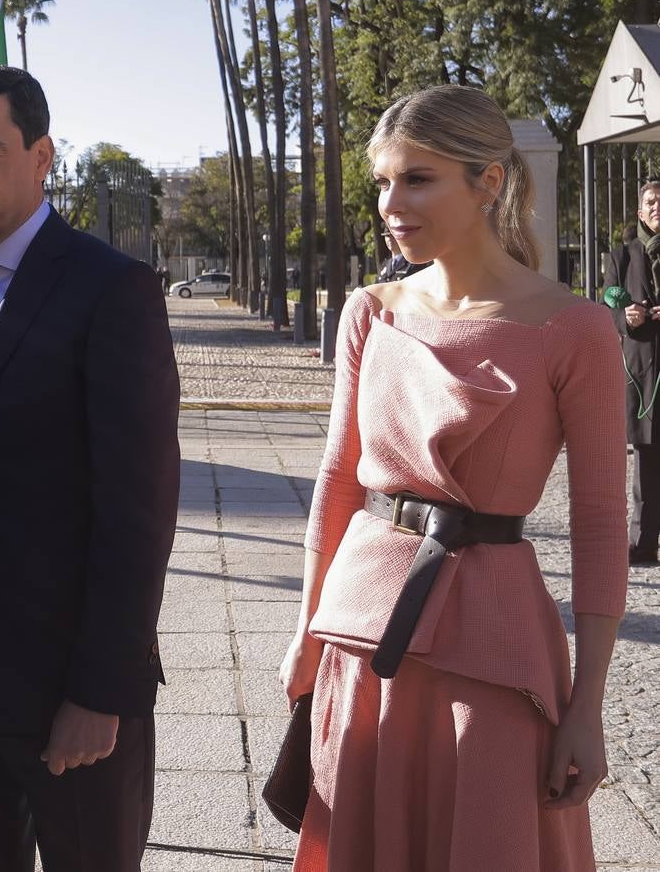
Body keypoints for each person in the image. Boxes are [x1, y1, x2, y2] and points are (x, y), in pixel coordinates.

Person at [279, 84, 628, 871]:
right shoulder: (371, 310)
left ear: (489, 181)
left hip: (496, 645)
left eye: (417, 178)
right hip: (361, 636)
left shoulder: (571, 326)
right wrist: (303, 635)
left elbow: (601, 522)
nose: (391, 202)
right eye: (381, 181)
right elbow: (338, 478)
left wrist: (587, 709)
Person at [0, 65, 180, 872]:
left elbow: (139, 510)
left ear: (42, 155)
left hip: (69, 686)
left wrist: (102, 691)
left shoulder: (110, 289)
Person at [604, 179, 660, 566]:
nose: (657, 206)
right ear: (640, 212)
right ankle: (642, 545)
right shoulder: (622, 255)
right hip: (643, 371)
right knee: (646, 459)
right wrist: (625, 317)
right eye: (651, 202)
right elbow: (605, 305)